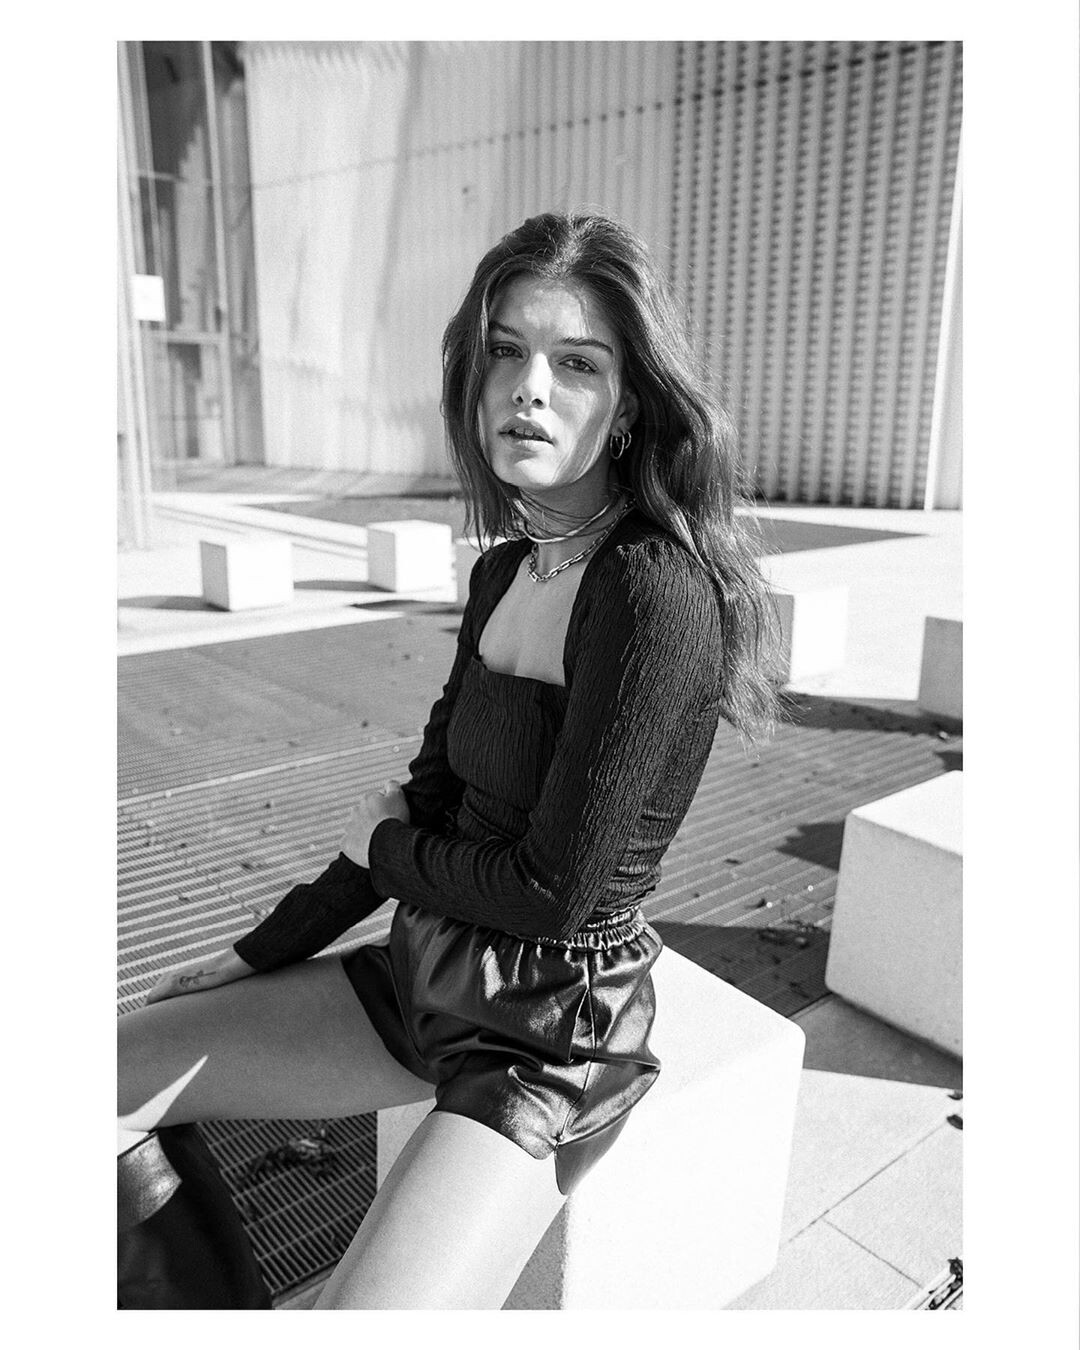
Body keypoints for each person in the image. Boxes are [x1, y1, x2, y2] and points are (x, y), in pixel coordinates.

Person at [117, 212, 779, 1310]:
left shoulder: (656, 594)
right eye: (506, 351)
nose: (530, 388)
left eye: (577, 364)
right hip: (423, 970)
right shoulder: (507, 569)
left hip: (545, 1035)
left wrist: (389, 849)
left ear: (628, 405)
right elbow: (425, 795)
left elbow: (555, 894)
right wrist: (259, 951)